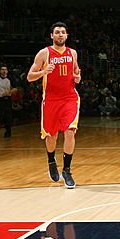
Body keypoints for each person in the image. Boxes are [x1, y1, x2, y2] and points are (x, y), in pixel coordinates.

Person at [28, 22, 81, 189]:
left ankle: (67, 170)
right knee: (51, 136)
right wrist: (43, 72)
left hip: (69, 98)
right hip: (51, 100)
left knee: (70, 131)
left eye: (63, 32)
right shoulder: (44, 53)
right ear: (52, 35)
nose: (60, 35)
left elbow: (76, 72)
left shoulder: (72, 53)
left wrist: (78, 77)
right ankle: (51, 160)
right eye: (57, 32)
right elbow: (29, 76)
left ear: (67, 36)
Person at [0, 65, 14, 138]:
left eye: (5, 69)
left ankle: (8, 131)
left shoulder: (10, 79)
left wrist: (10, 92)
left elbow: (15, 88)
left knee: (7, 116)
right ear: (0, 71)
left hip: (7, 99)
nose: (4, 71)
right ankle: (0, 122)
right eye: (2, 69)